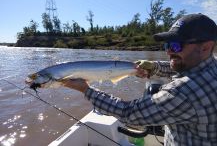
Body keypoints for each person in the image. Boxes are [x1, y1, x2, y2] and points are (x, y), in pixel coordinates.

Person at [60, 13, 217, 146]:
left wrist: (86, 89)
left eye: (176, 46)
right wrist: (154, 66)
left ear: (205, 47)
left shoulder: (183, 92)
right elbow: (180, 67)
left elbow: (128, 113)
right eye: (167, 45)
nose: (169, 52)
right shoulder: (211, 65)